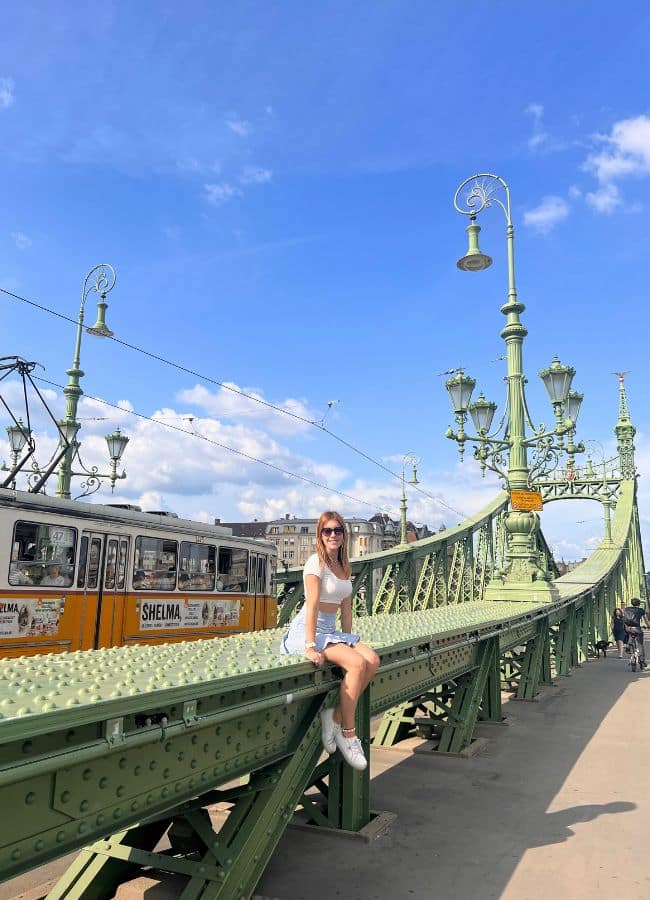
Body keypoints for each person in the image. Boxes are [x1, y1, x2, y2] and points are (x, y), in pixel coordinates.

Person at [279, 511, 380, 770]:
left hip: (331, 630)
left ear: (344, 535)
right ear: (320, 535)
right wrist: (310, 646)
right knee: (357, 664)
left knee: (371, 660)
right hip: (308, 629)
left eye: (337, 530)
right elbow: (312, 604)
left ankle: (333, 717)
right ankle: (348, 734)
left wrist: (348, 641)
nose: (333, 535)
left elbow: (346, 609)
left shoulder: (344, 566)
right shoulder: (316, 563)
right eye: (327, 531)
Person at [623, 597, 650, 668]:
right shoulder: (641, 610)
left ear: (632, 603)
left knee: (630, 634)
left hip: (628, 628)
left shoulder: (626, 609)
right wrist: (648, 626)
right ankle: (642, 661)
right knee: (640, 644)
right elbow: (646, 620)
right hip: (637, 629)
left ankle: (628, 645)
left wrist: (626, 626)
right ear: (639, 604)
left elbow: (623, 618)